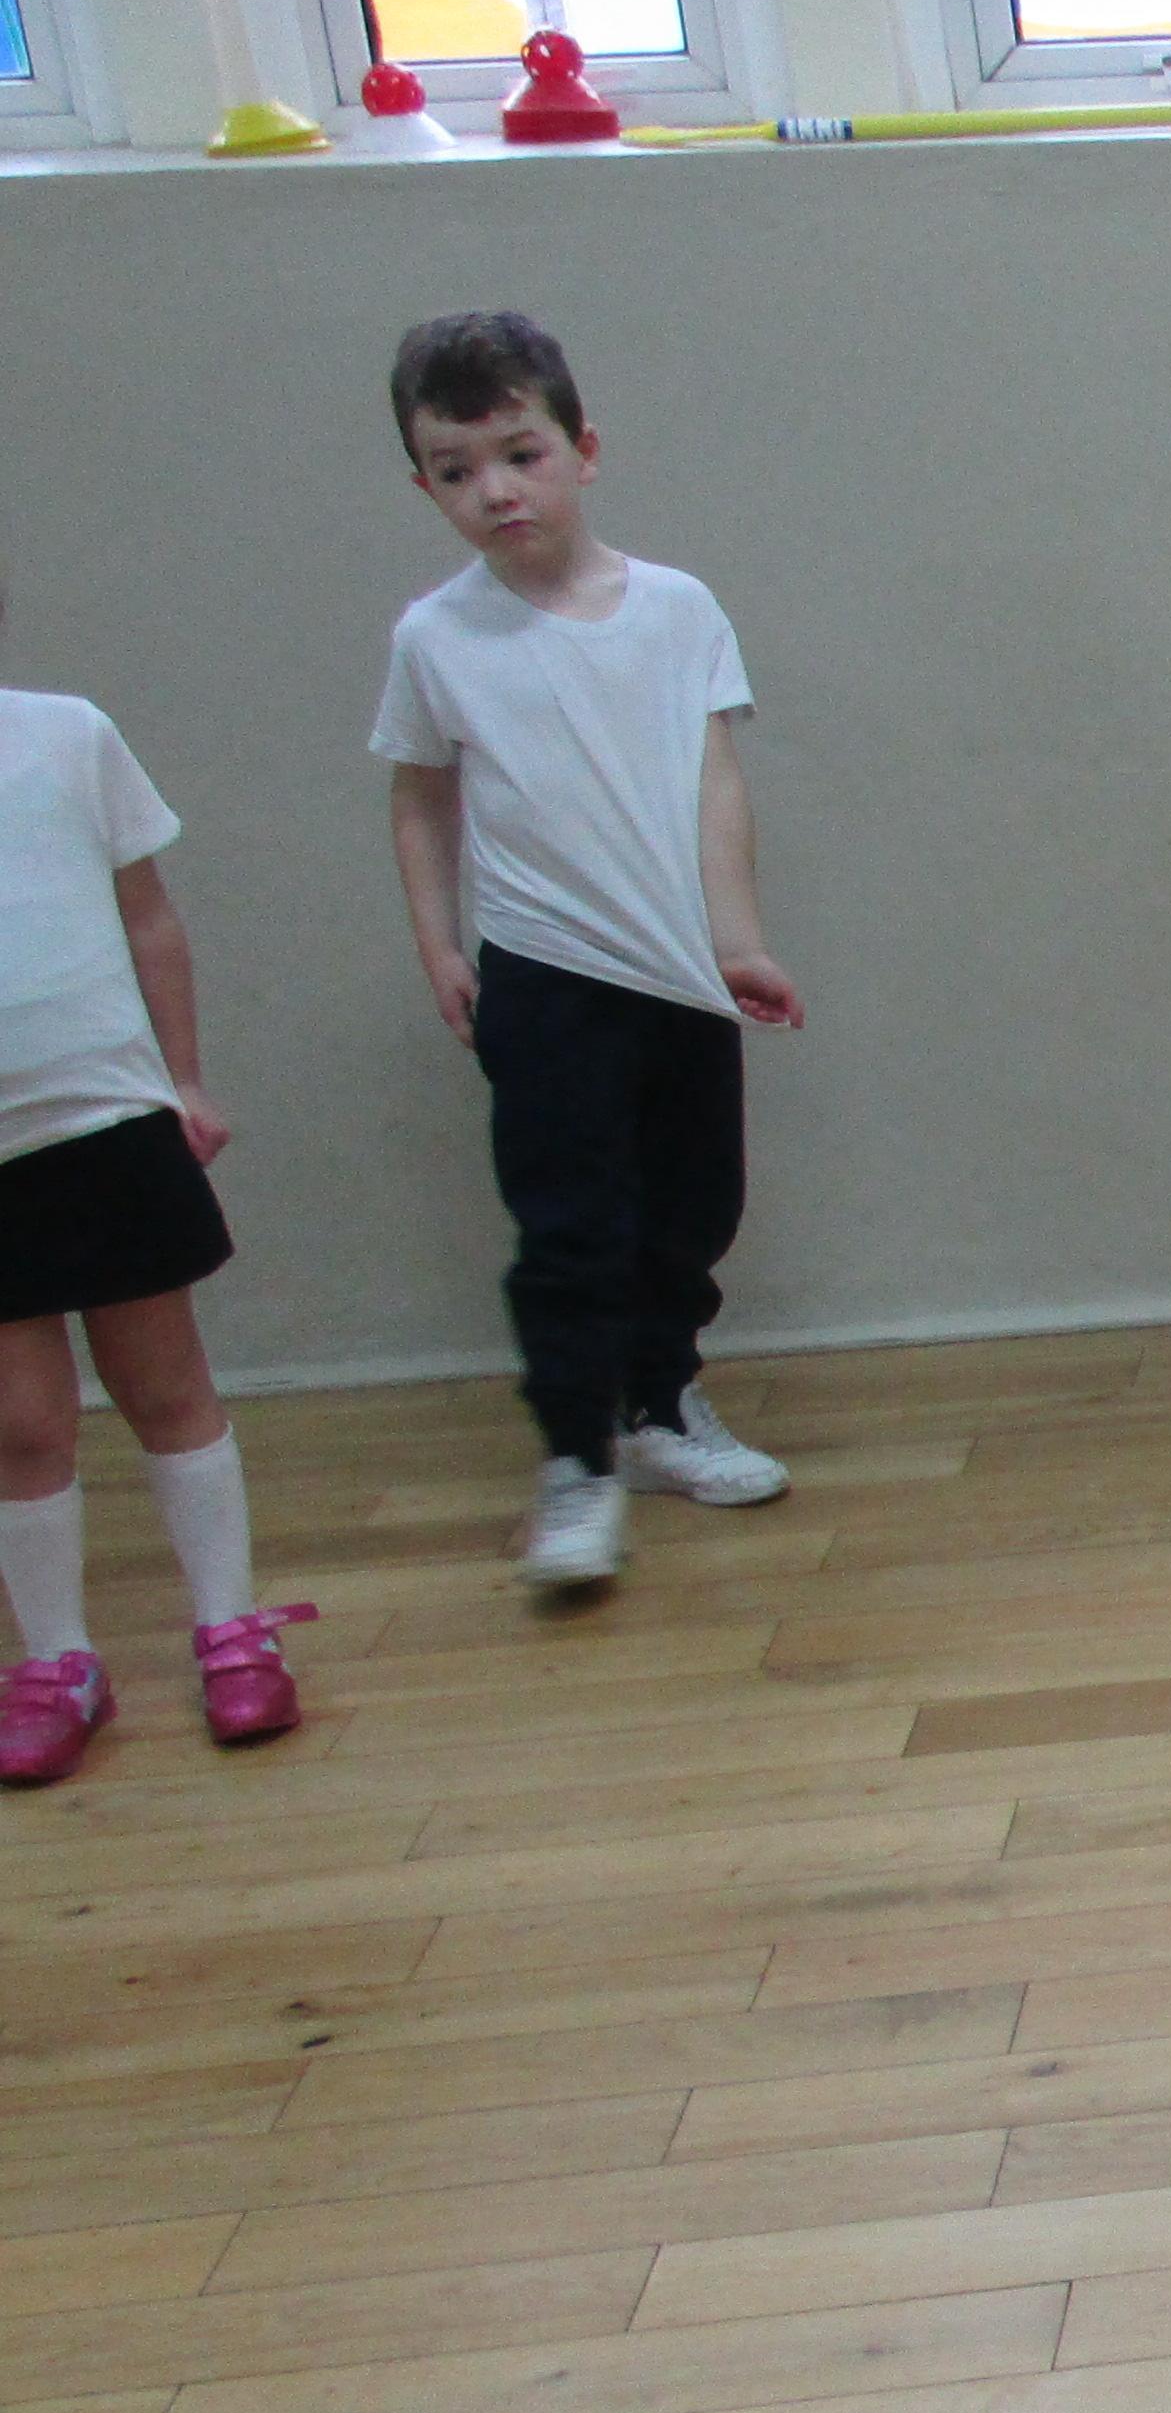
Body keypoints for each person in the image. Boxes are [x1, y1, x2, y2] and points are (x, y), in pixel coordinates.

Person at [372, 313, 803, 1596]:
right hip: (544, 977)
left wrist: (735, 942)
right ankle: (576, 1460)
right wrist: (440, 946)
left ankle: (660, 1409)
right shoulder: (436, 638)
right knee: (569, 1227)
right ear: (426, 487)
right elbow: (420, 799)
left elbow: (713, 782)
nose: (497, 490)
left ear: (583, 450)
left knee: (693, 1206)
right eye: (458, 470)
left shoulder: (677, 610)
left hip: (678, 973)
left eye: (521, 454)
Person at [0, 626, 309, 1786]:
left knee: (165, 1388)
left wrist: (181, 1078)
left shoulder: (68, 737)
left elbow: (147, 918)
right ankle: (56, 1661)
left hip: (107, 1123)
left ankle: (231, 1627)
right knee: (20, 1426)